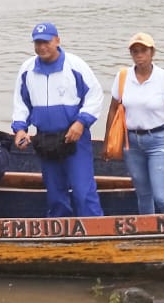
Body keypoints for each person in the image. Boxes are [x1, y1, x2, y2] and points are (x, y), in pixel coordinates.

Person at [11, 22, 104, 217]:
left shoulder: (75, 65)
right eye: (38, 43)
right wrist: (20, 128)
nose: (42, 47)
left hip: (74, 138)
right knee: (55, 194)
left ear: (57, 41)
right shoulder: (27, 69)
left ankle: (95, 228)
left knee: (83, 192)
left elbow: (95, 95)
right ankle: (59, 228)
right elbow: (21, 103)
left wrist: (81, 123)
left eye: (46, 42)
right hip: (45, 139)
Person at [104, 32, 164, 214]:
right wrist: (108, 141)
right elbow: (113, 110)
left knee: (162, 196)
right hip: (131, 143)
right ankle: (149, 228)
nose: (139, 55)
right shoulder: (123, 77)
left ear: (152, 52)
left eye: (143, 50)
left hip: (159, 141)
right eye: (135, 51)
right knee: (143, 195)